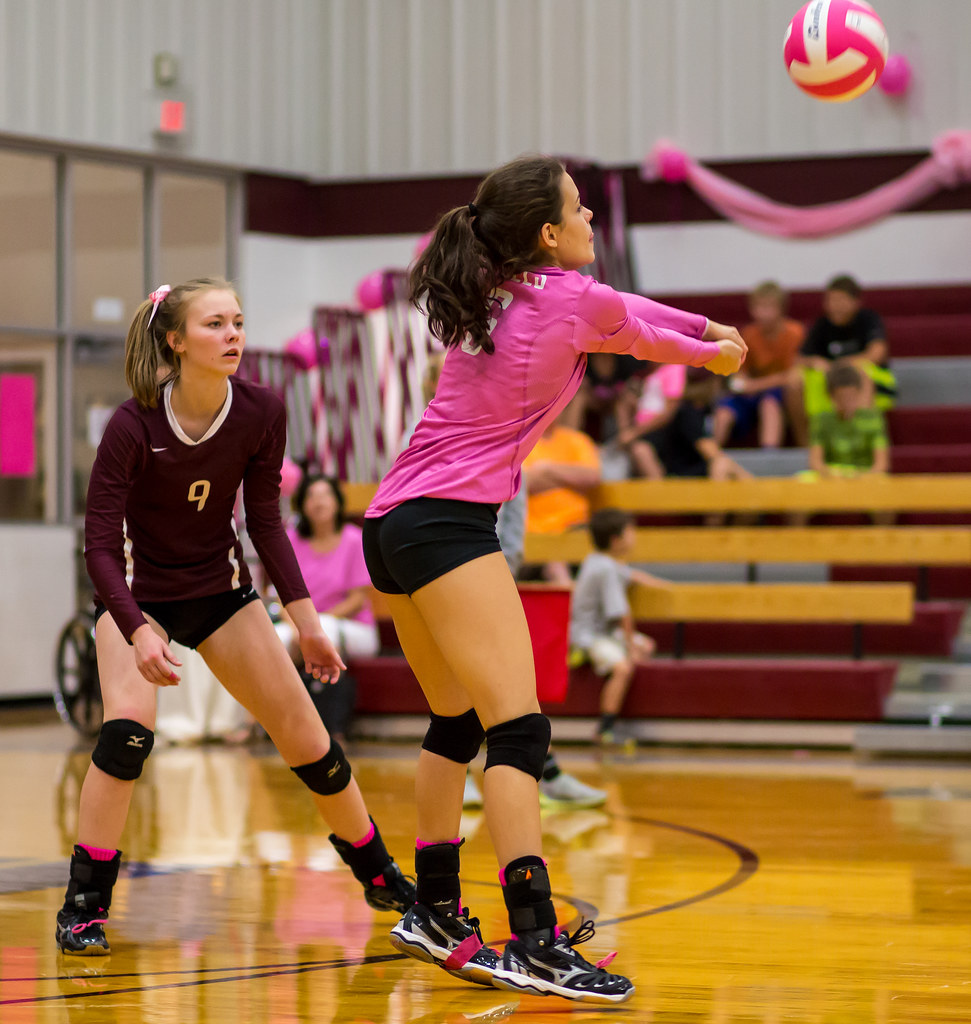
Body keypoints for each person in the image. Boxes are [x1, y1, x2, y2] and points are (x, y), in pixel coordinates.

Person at [361, 155, 745, 1003]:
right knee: (519, 732)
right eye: (580, 211)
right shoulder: (567, 299)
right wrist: (714, 353)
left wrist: (702, 327)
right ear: (547, 233)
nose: (591, 223)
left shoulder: (495, 287)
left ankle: (433, 909)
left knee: (453, 722)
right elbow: (641, 333)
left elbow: (633, 315)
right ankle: (535, 938)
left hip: (389, 524)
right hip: (448, 522)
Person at [57, 278, 414, 957]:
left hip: (221, 594)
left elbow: (266, 522)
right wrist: (135, 630)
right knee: (126, 738)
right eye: (215, 324)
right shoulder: (133, 423)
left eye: (238, 322)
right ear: (175, 339)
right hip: (138, 599)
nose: (233, 336)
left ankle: (380, 876)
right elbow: (98, 547)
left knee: (310, 743)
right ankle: (84, 906)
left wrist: (305, 619)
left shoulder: (260, 410)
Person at [274, 472, 380, 743]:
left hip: (352, 627)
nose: (318, 502)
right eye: (311, 496)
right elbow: (281, 597)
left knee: (326, 634)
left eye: (325, 495)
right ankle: (268, 725)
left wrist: (313, 625)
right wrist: (301, 627)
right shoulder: (291, 540)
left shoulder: (354, 539)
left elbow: (357, 600)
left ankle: (333, 727)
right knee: (271, 641)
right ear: (302, 504)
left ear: (337, 501)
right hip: (300, 625)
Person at [570, 509, 667, 745]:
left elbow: (631, 575)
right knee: (623, 667)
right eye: (630, 532)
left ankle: (623, 714)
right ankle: (605, 728)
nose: (634, 536)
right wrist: (630, 645)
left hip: (602, 631)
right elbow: (622, 612)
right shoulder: (606, 568)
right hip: (587, 636)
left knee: (646, 646)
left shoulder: (599, 560)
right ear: (616, 540)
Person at [791, 274, 897, 444]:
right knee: (795, 379)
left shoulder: (868, 319)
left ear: (856, 302)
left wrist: (841, 365)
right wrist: (814, 362)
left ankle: (862, 444)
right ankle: (808, 444)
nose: (835, 306)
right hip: (833, 381)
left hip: (869, 381)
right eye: (831, 300)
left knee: (862, 373)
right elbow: (799, 359)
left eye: (841, 300)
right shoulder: (822, 324)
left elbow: (877, 353)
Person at [712, 280, 805, 448]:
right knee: (724, 411)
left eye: (769, 307)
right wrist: (741, 383)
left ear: (781, 309)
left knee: (769, 405)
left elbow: (791, 376)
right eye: (758, 307)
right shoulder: (749, 334)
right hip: (751, 394)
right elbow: (739, 376)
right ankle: (711, 459)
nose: (763, 313)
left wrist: (754, 385)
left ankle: (768, 457)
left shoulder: (795, 333)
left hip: (779, 395)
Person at [521, 411, 602, 584]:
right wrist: (570, 480)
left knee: (560, 560)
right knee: (555, 561)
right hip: (533, 532)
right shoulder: (523, 442)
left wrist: (546, 469)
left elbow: (592, 477)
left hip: (576, 527)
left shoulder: (577, 440)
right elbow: (525, 483)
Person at [628, 372, 752, 484]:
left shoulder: (704, 409)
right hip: (682, 475)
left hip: (696, 470)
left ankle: (760, 495)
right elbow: (711, 452)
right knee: (721, 463)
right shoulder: (689, 411)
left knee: (723, 464)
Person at [807, 362, 890, 479]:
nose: (847, 403)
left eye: (851, 397)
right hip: (832, 477)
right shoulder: (821, 420)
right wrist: (832, 474)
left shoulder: (873, 419)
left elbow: (881, 464)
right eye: (841, 397)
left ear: (859, 393)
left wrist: (863, 477)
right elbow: (815, 462)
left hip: (866, 477)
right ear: (830, 396)